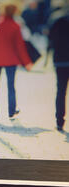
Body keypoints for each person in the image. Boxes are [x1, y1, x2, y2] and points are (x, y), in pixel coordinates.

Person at [0, 1, 33, 122]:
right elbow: (20, 46)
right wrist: (27, 62)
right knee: (11, 86)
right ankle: (11, 111)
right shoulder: (15, 25)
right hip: (11, 60)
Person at [47, 4, 69, 132]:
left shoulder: (56, 18)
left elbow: (50, 38)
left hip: (60, 60)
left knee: (61, 91)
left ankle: (59, 121)